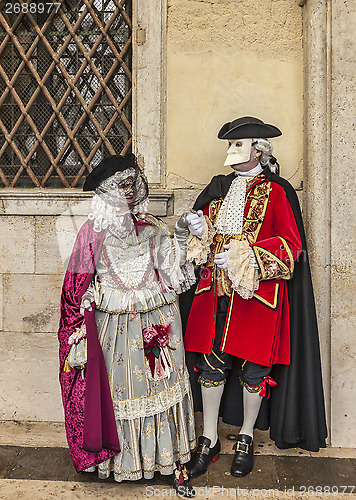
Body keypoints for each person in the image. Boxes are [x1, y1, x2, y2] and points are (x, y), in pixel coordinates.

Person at [177, 116, 327, 478]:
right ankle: (209, 438)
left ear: (258, 149)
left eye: (238, 145)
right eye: (229, 146)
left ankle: (245, 436)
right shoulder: (218, 189)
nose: (231, 152)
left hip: (257, 298)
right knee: (210, 367)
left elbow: (291, 247)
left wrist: (249, 256)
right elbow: (206, 240)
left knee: (254, 371)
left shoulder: (277, 191)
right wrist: (198, 229)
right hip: (215, 294)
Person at [58, 154, 196, 496]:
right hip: (114, 327)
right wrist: (81, 315)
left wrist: (181, 237)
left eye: (131, 183)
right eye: (120, 186)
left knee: (160, 386)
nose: (128, 192)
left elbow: (174, 273)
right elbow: (74, 284)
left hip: (156, 322)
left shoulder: (152, 226)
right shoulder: (91, 233)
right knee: (121, 391)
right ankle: (119, 460)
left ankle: (169, 458)